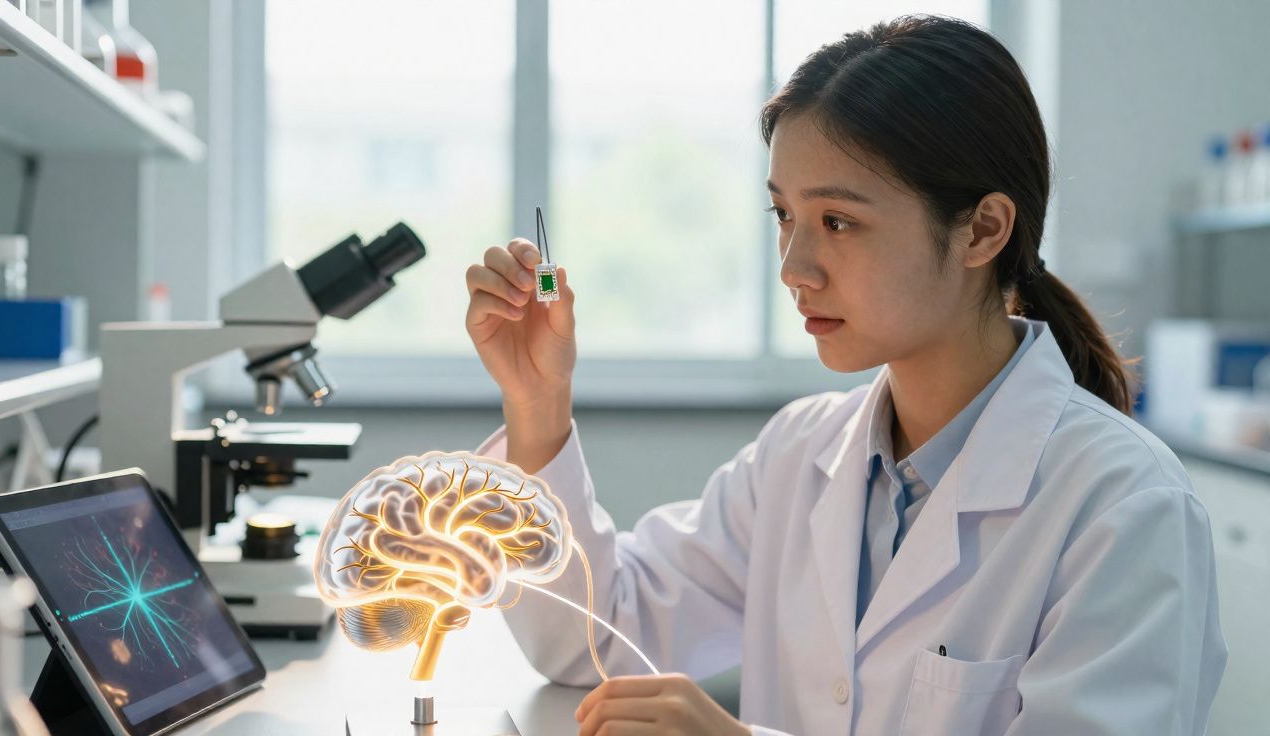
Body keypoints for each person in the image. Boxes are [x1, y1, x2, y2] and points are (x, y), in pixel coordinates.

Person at [462, 15, 1226, 736]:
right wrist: (538, 402)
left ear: (984, 229)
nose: (794, 269)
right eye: (784, 217)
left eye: (837, 222)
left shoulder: (1124, 508)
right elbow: (595, 636)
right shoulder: (799, 455)